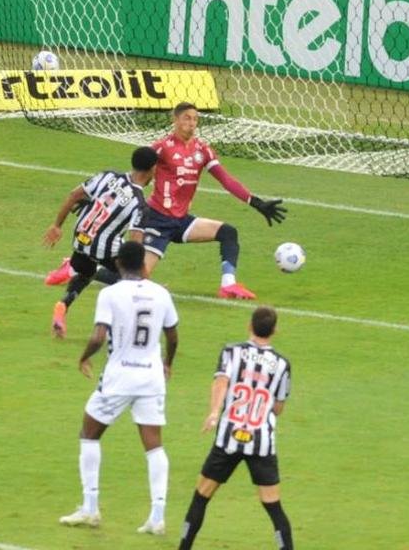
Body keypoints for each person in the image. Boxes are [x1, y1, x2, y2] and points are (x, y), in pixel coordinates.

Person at [62, 101, 285, 301]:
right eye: (187, 118)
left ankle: (228, 285)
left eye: (196, 119)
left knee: (228, 232)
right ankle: (75, 268)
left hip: (182, 221)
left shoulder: (203, 151)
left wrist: (255, 202)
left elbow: (226, 179)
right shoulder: (162, 147)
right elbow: (138, 170)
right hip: (157, 220)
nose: (192, 123)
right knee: (137, 278)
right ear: (175, 119)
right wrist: (99, 198)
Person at [59, 241, 178, 535]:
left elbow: (100, 336)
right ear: (143, 264)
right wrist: (167, 362)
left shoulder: (110, 294)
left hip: (119, 376)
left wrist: (84, 356)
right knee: (154, 444)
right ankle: (158, 516)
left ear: (120, 264)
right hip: (151, 377)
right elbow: (173, 336)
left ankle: (90, 508)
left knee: (89, 433)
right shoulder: (161, 294)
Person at [176, 306, 292, 549]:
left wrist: (214, 413)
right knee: (273, 505)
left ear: (249, 325)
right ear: (275, 331)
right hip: (261, 442)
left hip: (229, 436)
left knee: (201, 496)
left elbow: (221, 382)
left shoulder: (232, 352)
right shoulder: (282, 364)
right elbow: (278, 407)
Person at [42, 146, 159, 339]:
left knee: (86, 272)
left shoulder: (108, 176)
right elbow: (135, 246)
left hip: (80, 238)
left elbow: (74, 195)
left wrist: (57, 225)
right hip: (105, 249)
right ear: (152, 170)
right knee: (131, 282)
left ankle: (63, 305)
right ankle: (119, 328)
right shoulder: (139, 204)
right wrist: (145, 277)